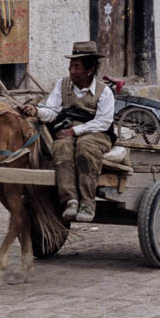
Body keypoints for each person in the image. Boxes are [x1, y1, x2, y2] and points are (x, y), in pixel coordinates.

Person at [20, 41, 114, 223]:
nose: (71, 71)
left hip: (96, 132)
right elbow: (52, 111)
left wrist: (74, 131)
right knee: (61, 148)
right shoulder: (62, 85)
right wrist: (36, 111)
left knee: (85, 150)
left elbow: (103, 122)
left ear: (90, 69)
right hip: (67, 129)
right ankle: (69, 200)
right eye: (71, 66)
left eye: (77, 67)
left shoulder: (104, 91)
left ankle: (87, 202)